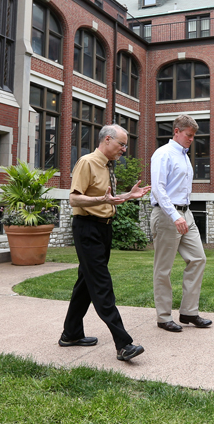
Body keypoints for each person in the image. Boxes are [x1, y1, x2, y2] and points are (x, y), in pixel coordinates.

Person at [60, 124, 150, 361]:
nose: (124, 149)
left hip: (103, 230)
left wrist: (128, 197)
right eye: (121, 144)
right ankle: (123, 344)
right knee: (101, 285)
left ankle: (71, 334)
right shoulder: (87, 162)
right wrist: (102, 198)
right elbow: (73, 199)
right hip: (87, 229)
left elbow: (108, 201)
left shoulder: (109, 166)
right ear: (107, 140)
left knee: (85, 283)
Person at [150, 114, 211, 332]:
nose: (191, 139)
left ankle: (189, 312)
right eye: (189, 135)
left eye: (193, 136)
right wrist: (175, 216)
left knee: (198, 259)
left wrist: (183, 215)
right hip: (167, 215)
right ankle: (164, 317)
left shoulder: (184, 156)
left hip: (186, 213)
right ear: (176, 131)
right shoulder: (163, 154)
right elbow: (158, 189)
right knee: (163, 268)